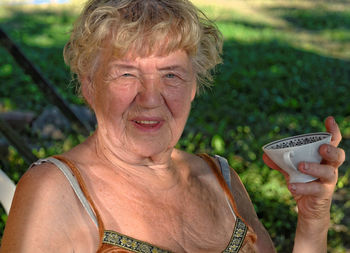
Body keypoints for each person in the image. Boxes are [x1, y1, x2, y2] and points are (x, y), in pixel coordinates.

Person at [0, 0, 345, 252]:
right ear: (89, 86)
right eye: (126, 73)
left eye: (171, 74)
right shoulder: (54, 191)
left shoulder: (219, 179)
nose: (150, 98)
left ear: (194, 85)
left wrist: (313, 222)